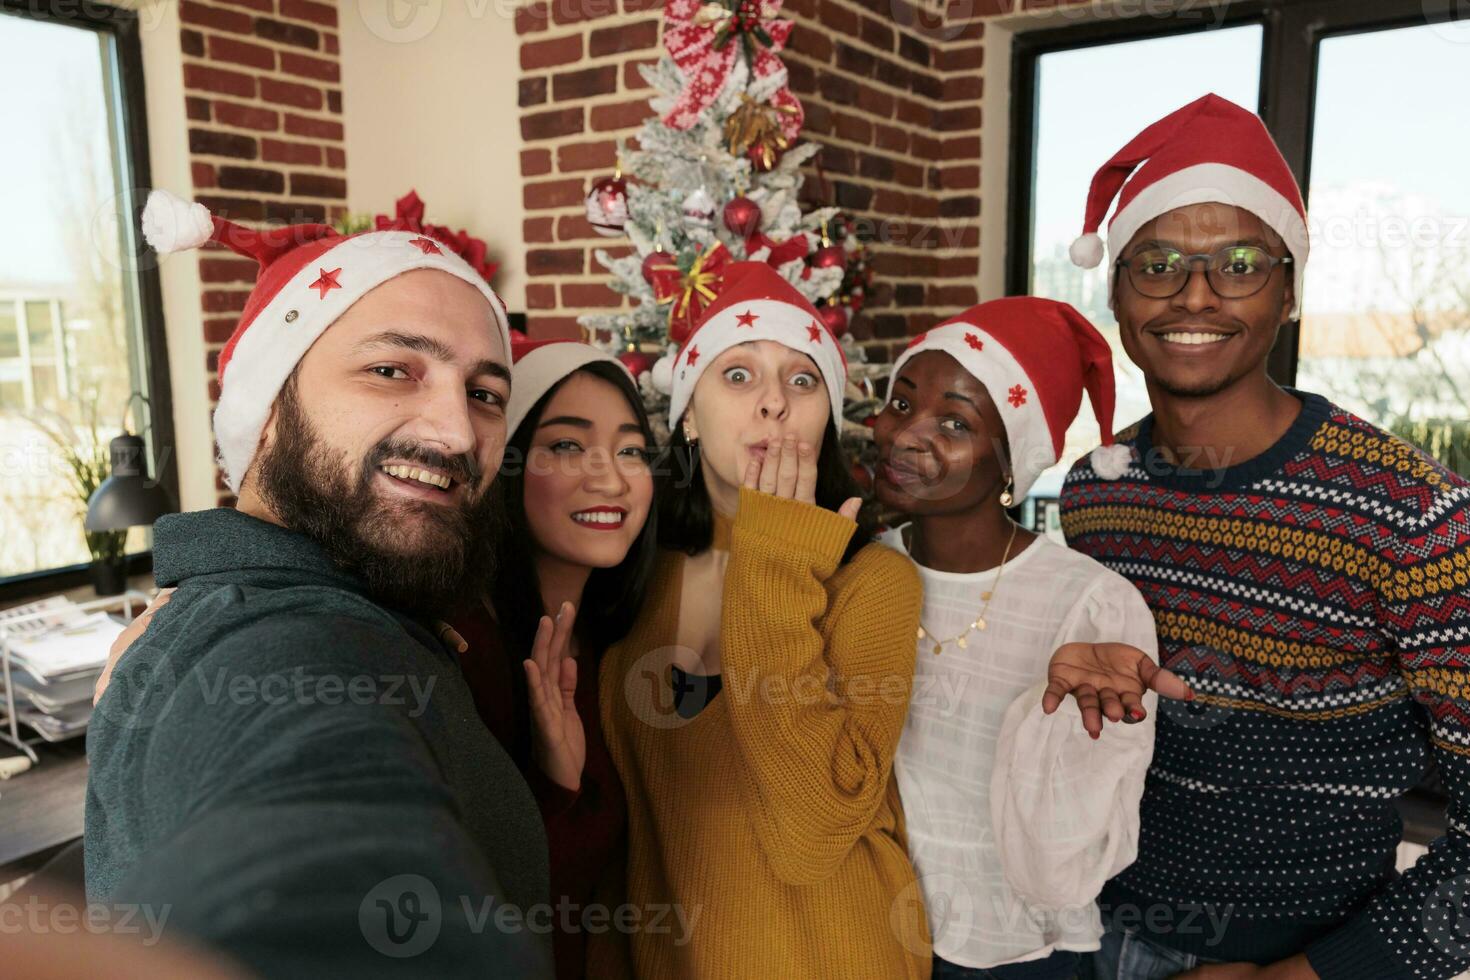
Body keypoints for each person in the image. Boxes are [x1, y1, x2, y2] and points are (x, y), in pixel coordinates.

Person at [86, 190, 552, 977]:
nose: (457, 431)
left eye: (484, 394)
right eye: (390, 370)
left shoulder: (380, 605)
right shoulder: (271, 646)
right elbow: (311, 866)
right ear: (267, 410)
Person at [1059, 94, 1470, 980]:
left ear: (1288, 294)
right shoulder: (1095, 492)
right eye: (1157, 263)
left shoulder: (1412, 514)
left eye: (1240, 264)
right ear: (1119, 294)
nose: (1195, 294)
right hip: (1086, 934)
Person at [592, 261, 932, 978]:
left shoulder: (875, 582)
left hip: (837, 956)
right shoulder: (636, 570)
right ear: (687, 411)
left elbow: (812, 834)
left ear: (826, 421)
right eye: (739, 375)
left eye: (802, 380)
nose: (774, 402)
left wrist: (774, 562)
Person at [872, 297, 1190, 980]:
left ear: (1012, 460)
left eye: (955, 421)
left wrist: (1065, 740)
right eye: (900, 403)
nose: (907, 434)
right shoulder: (862, 567)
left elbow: (1079, 852)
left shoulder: (1089, 607)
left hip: (1018, 956)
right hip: (868, 933)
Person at [447, 338, 657, 979]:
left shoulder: (614, 646)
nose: (611, 478)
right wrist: (555, 782)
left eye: (631, 450)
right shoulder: (458, 647)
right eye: (567, 445)